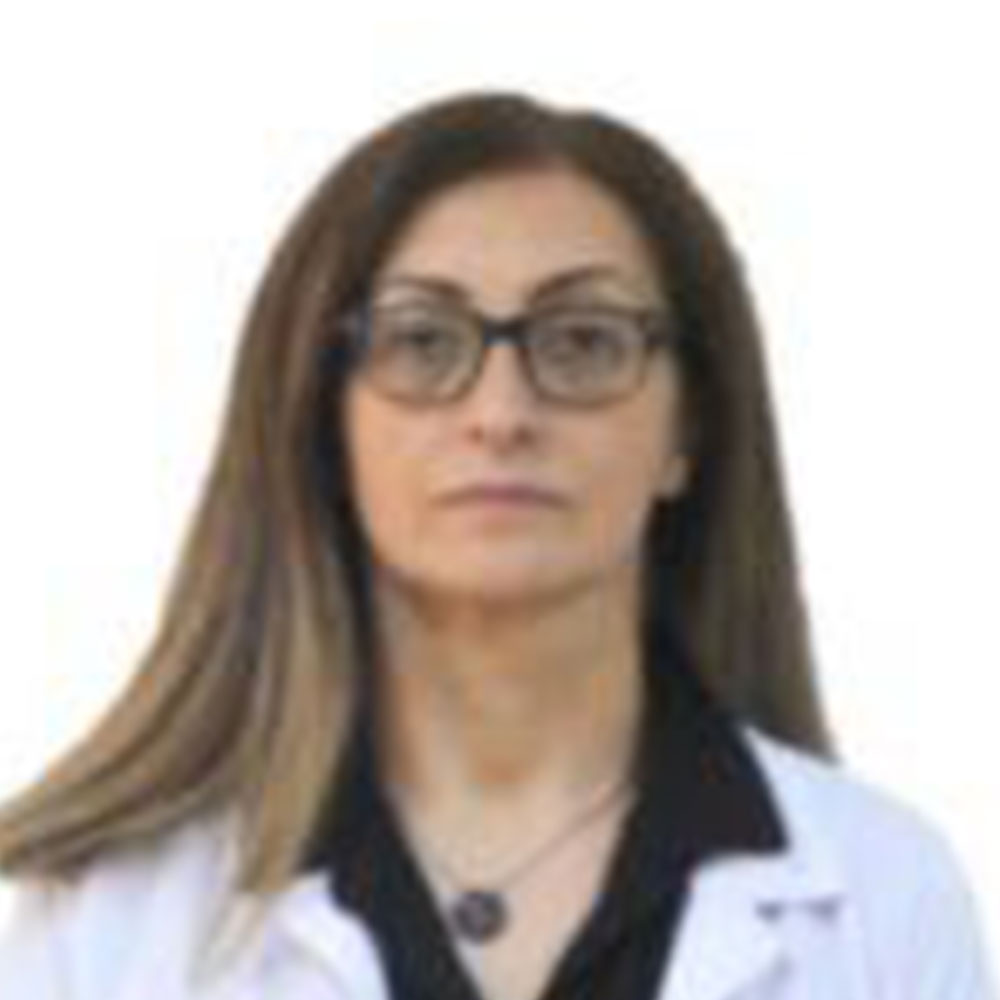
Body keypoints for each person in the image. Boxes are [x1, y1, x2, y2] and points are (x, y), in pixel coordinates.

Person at [0, 89, 994, 1000]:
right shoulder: (102, 916)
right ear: (323, 422)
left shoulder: (884, 898)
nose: (501, 413)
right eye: (422, 341)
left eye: (584, 341)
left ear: (685, 432)